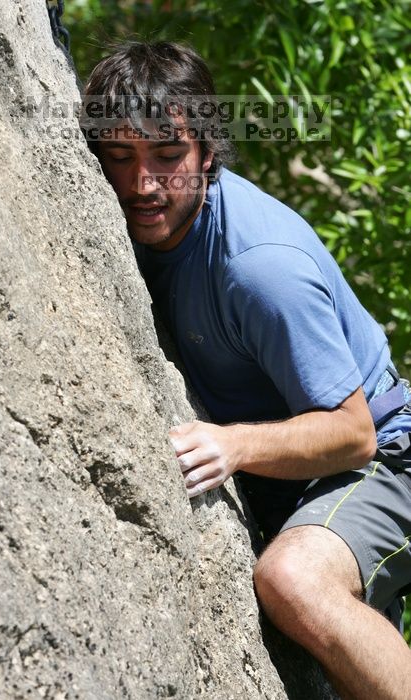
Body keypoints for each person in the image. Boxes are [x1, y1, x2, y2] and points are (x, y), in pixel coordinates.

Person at [81, 41, 411, 699]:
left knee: (295, 580)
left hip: (384, 458)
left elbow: (353, 434)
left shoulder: (258, 267)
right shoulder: (140, 226)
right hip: (301, 479)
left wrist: (235, 445)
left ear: (206, 150)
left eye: (168, 156)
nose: (143, 183)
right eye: (119, 158)